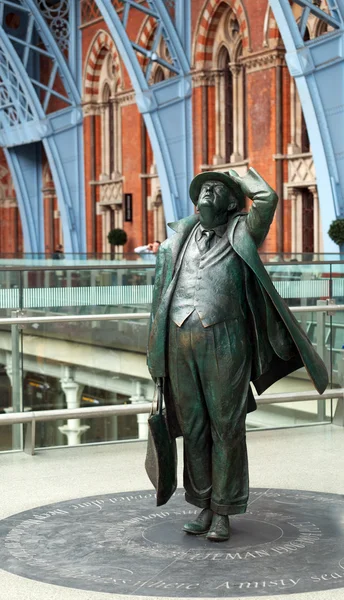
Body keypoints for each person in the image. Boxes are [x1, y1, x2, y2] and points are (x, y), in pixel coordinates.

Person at [147, 168, 328, 542]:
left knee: (226, 428)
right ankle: (202, 503)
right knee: (194, 429)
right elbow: (158, 303)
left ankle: (224, 511)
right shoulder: (175, 242)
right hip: (180, 344)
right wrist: (156, 355)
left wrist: (239, 177)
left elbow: (268, 199)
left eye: (217, 190)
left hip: (226, 341)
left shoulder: (242, 231)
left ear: (231, 203)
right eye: (203, 190)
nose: (207, 195)